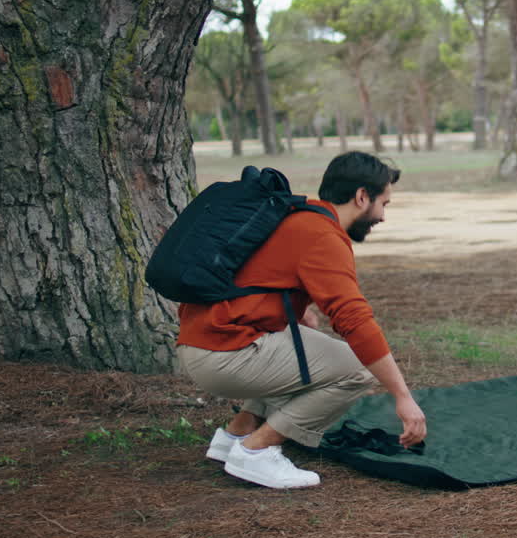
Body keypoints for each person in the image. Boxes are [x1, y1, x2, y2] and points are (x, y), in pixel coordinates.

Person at [175, 151, 426, 488]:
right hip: (224, 354)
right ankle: (257, 452)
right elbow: (354, 320)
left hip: (202, 342)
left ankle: (237, 434)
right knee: (356, 371)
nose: (382, 216)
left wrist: (295, 309)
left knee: (306, 343)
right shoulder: (323, 235)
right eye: (384, 203)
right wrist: (402, 396)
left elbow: (261, 275)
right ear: (361, 197)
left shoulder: (297, 214)